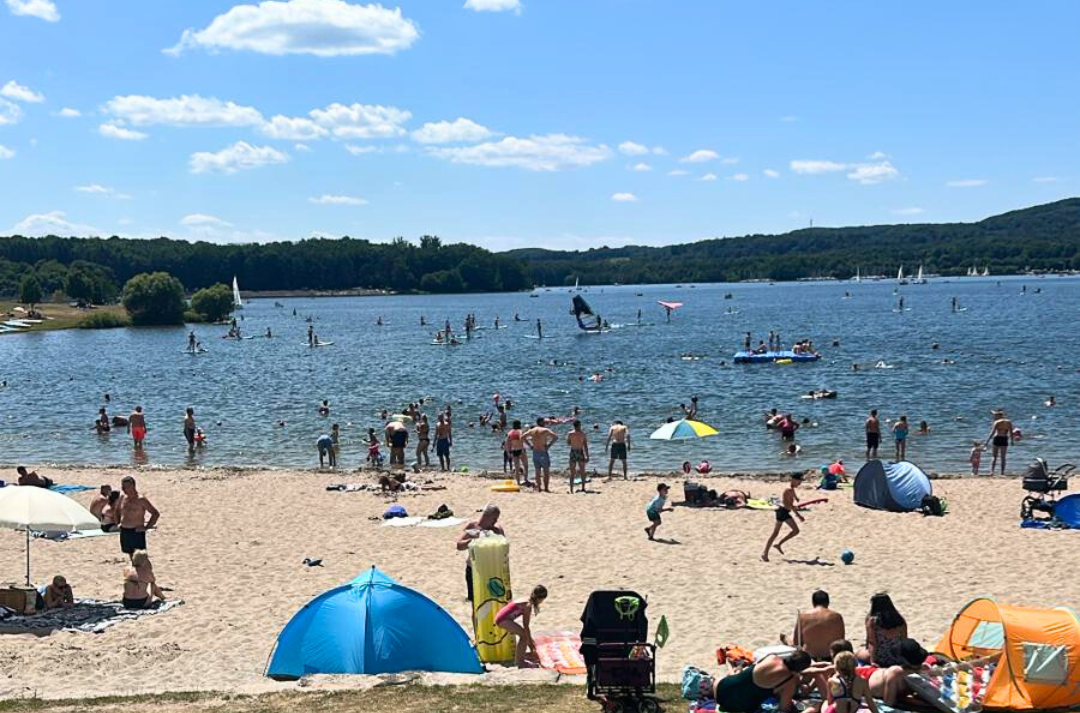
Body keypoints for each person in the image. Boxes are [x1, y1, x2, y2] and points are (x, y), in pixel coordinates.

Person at [713, 650, 820, 713]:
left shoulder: (772, 657)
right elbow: (784, 708)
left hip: (719, 688)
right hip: (735, 706)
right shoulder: (789, 681)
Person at [456, 504, 505, 602]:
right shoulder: (473, 527)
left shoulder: (497, 529)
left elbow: (504, 548)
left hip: (491, 570)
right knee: (475, 603)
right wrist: (473, 540)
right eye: (494, 518)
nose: (496, 521)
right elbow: (459, 545)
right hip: (474, 569)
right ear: (486, 516)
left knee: (492, 601)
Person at [495, 584, 548, 668]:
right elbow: (526, 626)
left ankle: (519, 659)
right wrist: (531, 645)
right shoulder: (528, 605)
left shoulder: (527, 599)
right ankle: (521, 662)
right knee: (524, 636)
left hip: (501, 617)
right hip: (503, 619)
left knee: (524, 635)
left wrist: (531, 642)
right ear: (540, 598)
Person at [788, 590, 846, 661]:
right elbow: (841, 641)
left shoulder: (803, 616)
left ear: (813, 603)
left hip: (809, 659)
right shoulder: (837, 617)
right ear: (828, 602)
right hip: (830, 657)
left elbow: (796, 642)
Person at [762, 473, 804, 562]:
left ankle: (766, 553)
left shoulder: (791, 489)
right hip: (783, 512)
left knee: (775, 533)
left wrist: (796, 498)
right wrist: (798, 515)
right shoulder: (788, 489)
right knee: (795, 531)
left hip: (782, 511)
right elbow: (787, 504)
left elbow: (793, 498)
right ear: (793, 480)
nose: (799, 484)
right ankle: (777, 545)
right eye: (799, 482)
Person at [858, 593, 908, 667]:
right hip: (898, 657)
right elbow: (904, 640)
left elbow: (872, 643)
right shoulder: (899, 619)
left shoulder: (873, 621)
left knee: (858, 653)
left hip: (881, 658)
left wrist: (873, 661)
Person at [117, 476, 159, 559]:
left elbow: (155, 513)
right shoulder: (122, 498)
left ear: (133, 486)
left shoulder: (141, 500)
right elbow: (116, 511)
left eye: (126, 487)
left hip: (136, 531)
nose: (123, 489)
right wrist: (118, 523)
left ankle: (143, 571)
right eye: (123, 487)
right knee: (130, 554)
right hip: (125, 530)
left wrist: (147, 527)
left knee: (140, 557)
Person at [523, 417, 558, 493]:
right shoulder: (545, 430)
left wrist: (530, 446)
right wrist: (549, 445)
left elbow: (522, 437)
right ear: (541, 422)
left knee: (537, 471)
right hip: (543, 452)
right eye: (544, 422)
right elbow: (556, 437)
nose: (545, 423)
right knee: (546, 472)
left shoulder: (532, 430)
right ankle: (546, 488)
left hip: (535, 452)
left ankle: (539, 488)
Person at [985, 409, 1014, 475]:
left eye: (995, 416)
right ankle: (1002, 472)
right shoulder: (1008, 422)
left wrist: (987, 441)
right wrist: (1012, 440)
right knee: (1003, 457)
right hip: (1004, 438)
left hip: (997, 438)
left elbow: (992, 432)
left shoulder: (997, 422)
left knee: (994, 456)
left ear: (998, 416)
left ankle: (992, 471)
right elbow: (1010, 432)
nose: (994, 417)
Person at [566, 420, 589, 493]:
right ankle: (583, 488)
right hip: (580, 451)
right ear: (579, 425)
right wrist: (587, 455)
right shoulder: (583, 434)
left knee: (572, 472)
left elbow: (568, 443)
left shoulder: (570, 433)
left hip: (573, 451)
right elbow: (585, 445)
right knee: (582, 471)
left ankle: (571, 489)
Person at [506, 420, 529, 484]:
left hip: (514, 451)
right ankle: (525, 479)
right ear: (519, 424)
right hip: (521, 450)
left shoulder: (510, 432)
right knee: (526, 465)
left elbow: (507, 443)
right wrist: (530, 445)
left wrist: (508, 452)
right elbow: (524, 439)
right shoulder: (521, 431)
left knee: (517, 468)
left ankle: (518, 482)